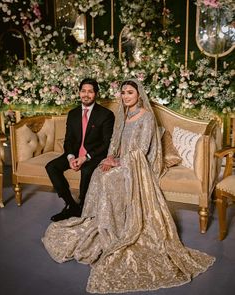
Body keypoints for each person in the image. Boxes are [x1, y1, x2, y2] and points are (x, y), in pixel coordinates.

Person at [43, 79, 215, 293]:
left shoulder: (147, 118)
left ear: (138, 95)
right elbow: (114, 143)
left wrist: (118, 162)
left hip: (135, 164)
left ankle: (118, 227)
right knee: (98, 172)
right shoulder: (124, 116)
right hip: (121, 159)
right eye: (123, 93)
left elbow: (141, 150)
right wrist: (110, 158)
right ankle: (100, 221)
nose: (125, 96)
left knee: (108, 177)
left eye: (130, 93)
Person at [45, 78, 115, 222]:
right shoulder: (73, 114)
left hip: (94, 155)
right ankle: (71, 204)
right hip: (75, 153)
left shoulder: (106, 115)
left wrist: (86, 157)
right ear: (79, 93)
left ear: (96, 94)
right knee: (52, 167)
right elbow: (68, 139)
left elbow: (107, 143)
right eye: (83, 91)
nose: (86, 95)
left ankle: (83, 206)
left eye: (90, 91)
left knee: (87, 169)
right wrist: (70, 157)